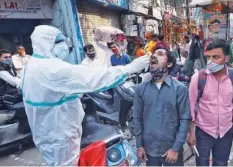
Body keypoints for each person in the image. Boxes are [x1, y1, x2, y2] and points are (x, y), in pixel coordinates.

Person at [22, 25, 150, 165]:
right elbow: (92, 77)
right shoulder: (51, 70)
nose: (65, 46)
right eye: (59, 42)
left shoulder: (33, 65)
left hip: (49, 131)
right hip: (59, 136)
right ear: (46, 44)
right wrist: (130, 69)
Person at [187, 39, 233, 166]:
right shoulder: (199, 77)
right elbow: (190, 105)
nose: (211, 61)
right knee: (202, 163)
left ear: (226, 58)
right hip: (203, 132)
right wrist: (191, 133)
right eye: (209, 57)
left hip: (226, 131)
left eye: (216, 57)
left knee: (221, 163)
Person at [133, 46, 191, 166]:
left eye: (159, 54)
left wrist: (175, 148)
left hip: (172, 150)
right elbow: (137, 118)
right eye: (153, 54)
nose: (153, 56)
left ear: (169, 64)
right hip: (149, 151)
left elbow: (185, 120)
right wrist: (139, 145)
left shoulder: (180, 89)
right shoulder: (140, 89)